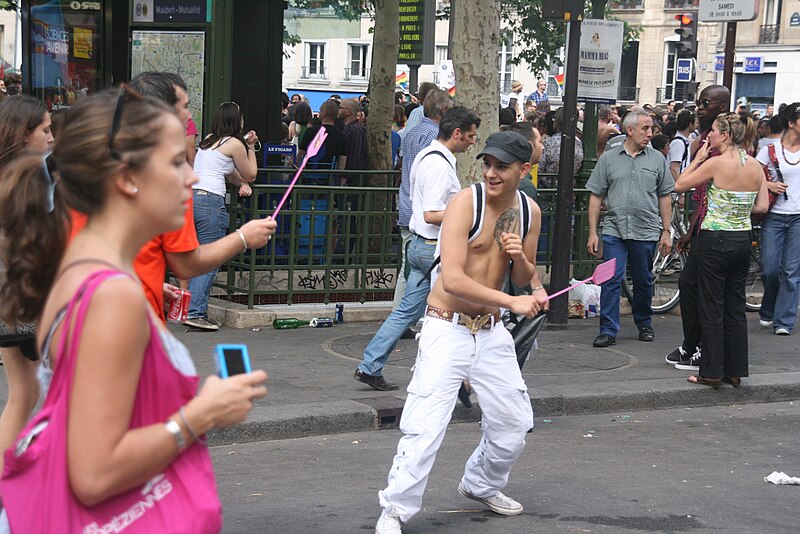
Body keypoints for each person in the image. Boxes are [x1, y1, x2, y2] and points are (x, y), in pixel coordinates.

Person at [0, 87, 268, 531]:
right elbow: (93, 473)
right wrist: (201, 413)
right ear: (126, 177)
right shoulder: (112, 295)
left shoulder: (79, 269)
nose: (192, 178)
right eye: (173, 163)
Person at [373, 131, 547, 534]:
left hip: (489, 332)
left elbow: (523, 278)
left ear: (523, 170)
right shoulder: (465, 203)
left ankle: (481, 483)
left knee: (513, 423)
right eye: (487, 164)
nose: (490, 172)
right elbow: (451, 279)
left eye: (501, 167)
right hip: (445, 327)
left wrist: (519, 256)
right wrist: (513, 302)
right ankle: (394, 510)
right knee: (426, 426)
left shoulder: (529, 211)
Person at [71, 71, 277, 325]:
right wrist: (243, 238)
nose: (190, 115)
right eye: (185, 106)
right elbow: (187, 265)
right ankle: (196, 312)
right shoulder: (164, 179)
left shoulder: (89, 167)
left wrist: (150, 283)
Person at [354, 105, 476, 391]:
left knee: (407, 313)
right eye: (470, 136)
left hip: (421, 246)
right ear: (456, 134)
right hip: (434, 249)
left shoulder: (426, 155)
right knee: (453, 315)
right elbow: (432, 213)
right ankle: (455, 376)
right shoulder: (438, 164)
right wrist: (470, 211)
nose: (473, 141)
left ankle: (370, 365)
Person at [674, 113, 767, 387]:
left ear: (725, 135)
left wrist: (699, 159)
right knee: (735, 307)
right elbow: (761, 206)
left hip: (715, 240)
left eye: (713, 131)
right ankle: (735, 371)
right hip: (741, 239)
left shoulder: (715, 163)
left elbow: (679, 184)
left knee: (711, 306)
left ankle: (711, 370)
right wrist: (738, 209)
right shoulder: (755, 166)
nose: (709, 136)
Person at [586, 109, 674, 348]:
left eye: (651, 128)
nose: (650, 133)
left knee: (643, 279)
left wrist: (666, 231)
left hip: (645, 230)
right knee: (611, 279)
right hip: (614, 229)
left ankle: (644, 322)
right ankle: (608, 330)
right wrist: (593, 232)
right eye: (645, 128)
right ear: (630, 130)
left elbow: (665, 196)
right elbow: (596, 196)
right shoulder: (609, 158)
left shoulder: (657, 159)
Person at [0, 95, 54, 473]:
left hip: (5, 302)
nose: (52, 138)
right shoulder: (35, 174)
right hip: (33, 298)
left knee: (23, 393)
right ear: (24, 134)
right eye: (46, 130)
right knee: (59, 392)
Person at [664, 85, 731, 369]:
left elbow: (684, 184)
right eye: (698, 102)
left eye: (705, 103)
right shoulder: (705, 138)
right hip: (705, 224)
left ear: (722, 107)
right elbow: (701, 195)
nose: (699, 108)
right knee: (691, 285)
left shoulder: (719, 146)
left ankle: (703, 349)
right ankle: (692, 345)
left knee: (703, 290)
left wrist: (693, 230)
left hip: (719, 229)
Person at [184, 102, 259, 330]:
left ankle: (190, 309)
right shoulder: (235, 143)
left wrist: (242, 183)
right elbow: (250, 173)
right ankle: (195, 312)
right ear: (236, 121)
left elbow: (231, 174)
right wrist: (251, 147)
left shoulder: (208, 139)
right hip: (210, 202)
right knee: (211, 258)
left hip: (192, 199)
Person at [392, 88, 453, 311]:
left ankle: (400, 315)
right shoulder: (433, 136)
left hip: (408, 207)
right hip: (422, 212)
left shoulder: (413, 131)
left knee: (407, 268)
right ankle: (407, 315)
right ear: (444, 110)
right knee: (418, 269)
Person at [757, 103, 800, 336]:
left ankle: (784, 320)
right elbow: (750, 176)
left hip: (798, 217)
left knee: (792, 271)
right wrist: (767, 184)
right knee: (769, 268)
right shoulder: (770, 150)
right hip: (773, 216)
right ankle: (768, 307)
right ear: (791, 123)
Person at [339, 98, 368, 171]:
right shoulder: (350, 128)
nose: (338, 110)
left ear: (348, 111)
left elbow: (353, 155)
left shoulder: (354, 130)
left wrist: (345, 177)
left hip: (352, 178)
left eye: (340, 108)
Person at [668, 109, 695, 183]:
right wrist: (680, 188)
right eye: (695, 123)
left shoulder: (683, 141)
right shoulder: (678, 143)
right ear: (690, 124)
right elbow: (674, 169)